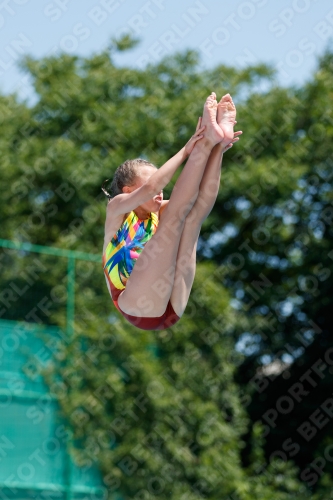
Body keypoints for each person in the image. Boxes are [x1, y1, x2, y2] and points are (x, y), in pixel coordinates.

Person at [102, 92, 242, 330]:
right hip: (138, 307)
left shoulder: (158, 210)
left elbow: (196, 196)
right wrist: (188, 149)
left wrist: (216, 150)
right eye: (148, 186)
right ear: (128, 191)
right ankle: (208, 140)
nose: (159, 192)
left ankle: (218, 140)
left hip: (171, 305)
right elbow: (155, 186)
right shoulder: (117, 209)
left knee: (192, 215)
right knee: (174, 220)